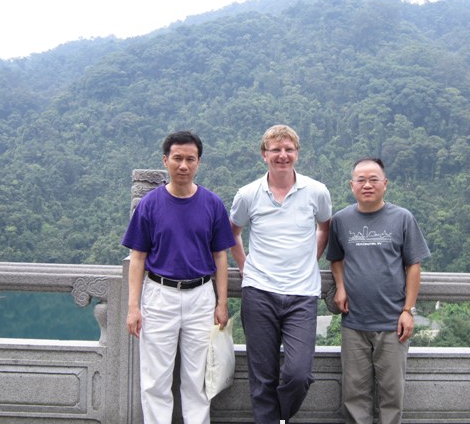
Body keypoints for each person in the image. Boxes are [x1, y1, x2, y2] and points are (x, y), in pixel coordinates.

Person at [122, 131, 235, 424]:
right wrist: (133, 307)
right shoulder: (149, 204)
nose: (183, 165)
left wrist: (222, 303)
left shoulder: (212, 203)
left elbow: (221, 256)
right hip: (159, 295)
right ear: (165, 160)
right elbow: (138, 258)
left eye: (190, 159)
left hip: (201, 295)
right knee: (155, 379)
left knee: (198, 378)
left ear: (198, 162)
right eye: (177, 158)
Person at [230, 125, 332, 424]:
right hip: (259, 292)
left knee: (298, 374)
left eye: (288, 149)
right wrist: (244, 265)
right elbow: (233, 232)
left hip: (302, 294)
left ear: (297, 153)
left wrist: (311, 258)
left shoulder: (316, 191)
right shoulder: (248, 194)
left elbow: (324, 227)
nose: (282, 155)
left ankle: (278, 416)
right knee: (262, 375)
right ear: (264, 155)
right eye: (276, 150)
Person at [326, 157, 430, 424]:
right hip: (354, 322)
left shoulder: (403, 218)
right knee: (354, 396)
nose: (367, 185)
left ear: (385, 184)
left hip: (392, 322)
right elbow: (335, 258)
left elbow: (413, 266)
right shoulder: (341, 220)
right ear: (352, 185)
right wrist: (340, 286)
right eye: (361, 180)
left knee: (391, 396)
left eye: (374, 179)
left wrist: (408, 310)